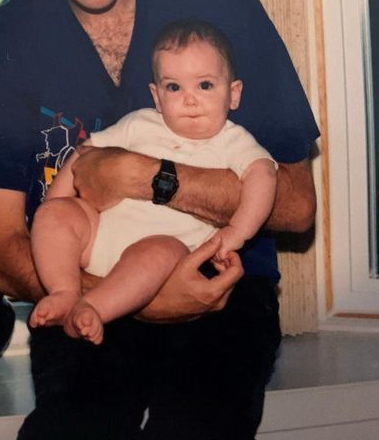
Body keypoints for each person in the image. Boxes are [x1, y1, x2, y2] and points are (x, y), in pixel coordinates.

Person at [0, 0, 318, 440]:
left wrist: (149, 177)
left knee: (197, 426)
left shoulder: (223, 8)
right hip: (81, 291)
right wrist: (128, 297)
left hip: (220, 289)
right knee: (74, 429)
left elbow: (295, 207)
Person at [30, 19, 277, 344]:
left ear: (233, 94)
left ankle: (92, 308)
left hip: (163, 255)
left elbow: (263, 176)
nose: (189, 99)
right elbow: (85, 151)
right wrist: (57, 202)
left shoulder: (233, 142)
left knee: (159, 250)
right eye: (174, 87)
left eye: (204, 85)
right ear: (157, 97)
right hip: (99, 235)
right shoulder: (139, 123)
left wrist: (237, 232)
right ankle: (65, 291)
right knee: (53, 216)